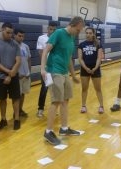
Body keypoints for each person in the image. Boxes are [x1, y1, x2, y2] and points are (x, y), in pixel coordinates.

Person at [41, 16, 84, 145]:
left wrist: (73, 74)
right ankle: (48, 131)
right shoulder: (58, 33)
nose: (79, 32)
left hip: (64, 73)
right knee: (56, 101)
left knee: (65, 100)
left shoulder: (71, 38)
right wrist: (43, 69)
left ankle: (64, 128)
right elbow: (45, 50)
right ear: (73, 25)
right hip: (54, 71)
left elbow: (69, 58)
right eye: (78, 29)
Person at [0, 22, 21, 130]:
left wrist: (11, 74)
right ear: (2, 30)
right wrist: (8, 72)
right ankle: (3, 119)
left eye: (11, 33)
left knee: (15, 98)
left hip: (13, 75)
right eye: (8, 32)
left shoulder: (15, 44)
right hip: (0, 76)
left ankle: (17, 119)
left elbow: (18, 61)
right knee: (2, 99)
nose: (10, 35)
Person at [77, 27, 104, 114]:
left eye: (90, 33)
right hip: (85, 69)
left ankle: (101, 106)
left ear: (93, 34)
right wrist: (86, 68)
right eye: (87, 33)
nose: (88, 35)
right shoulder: (81, 45)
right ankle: (83, 106)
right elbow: (80, 59)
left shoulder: (98, 44)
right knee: (84, 88)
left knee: (98, 89)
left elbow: (99, 58)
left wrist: (95, 68)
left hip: (95, 69)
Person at [36, 21, 57, 118]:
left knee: (55, 89)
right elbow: (41, 53)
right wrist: (43, 67)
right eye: (50, 29)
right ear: (47, 28)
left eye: (54, 29)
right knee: (44, 88)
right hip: (46, 68)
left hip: (56, 67)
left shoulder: (57, 38)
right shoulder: (42, 38)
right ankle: (40, 109)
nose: (52, 31)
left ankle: (54, 108)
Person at [14, 28, 31, 117]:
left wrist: (29, 71)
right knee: (17, 95)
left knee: (23, 93)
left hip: (26, 75)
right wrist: (16, 73)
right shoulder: (12, 46)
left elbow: (28, 59)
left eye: (23, 36)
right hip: (18, 75)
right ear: (15, 35)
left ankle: (20, 110)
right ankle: (15, 113)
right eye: (19, 36)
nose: (21, 38)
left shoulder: (25, 46)